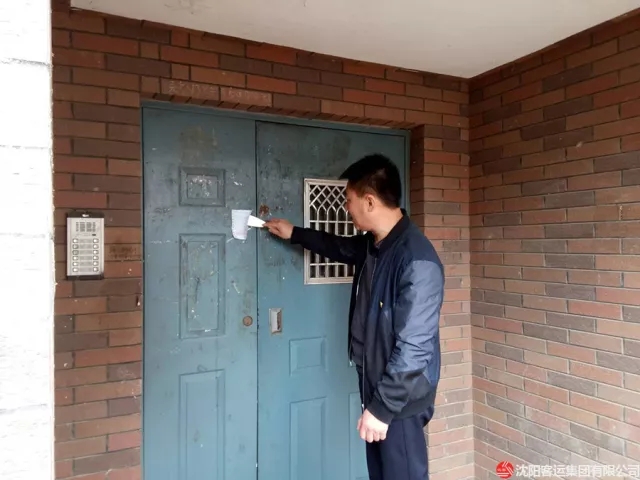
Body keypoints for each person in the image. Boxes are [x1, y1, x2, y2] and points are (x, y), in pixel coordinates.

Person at [263, 153, 444, 480]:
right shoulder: (376, 245)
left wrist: (383, 408)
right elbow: (339, 247)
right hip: (378, 389)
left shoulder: (417, 261)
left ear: (370, 201)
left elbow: (415, 348)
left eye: (349, 200)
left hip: (400, 402)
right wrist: (295, 233)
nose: (346, 208)